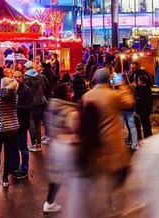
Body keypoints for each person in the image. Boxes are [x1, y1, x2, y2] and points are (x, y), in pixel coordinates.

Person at [69, 68, 134, 216]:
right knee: (113, 174)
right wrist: (121, 84)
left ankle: (102, 202)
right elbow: (129, 102)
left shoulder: (87, 95)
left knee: (99, 174)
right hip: (112, 141)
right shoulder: (112, 95)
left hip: (94, 141)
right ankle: (106, 203)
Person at [42, 83, 80, 214]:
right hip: (68, 146)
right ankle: (80, 207)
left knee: (56, 176)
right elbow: (75, 128)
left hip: (55, 144)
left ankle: (49, 202)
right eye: (69, 92)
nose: (71, 93)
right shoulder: (69, 110)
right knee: (77, 177)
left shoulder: (51, 105)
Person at [12, 70, 33, 179]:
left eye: (19, 77)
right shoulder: (10, 90)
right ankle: (15, 167)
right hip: (13, 124)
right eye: (15, 77)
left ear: (22, 78)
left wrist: (16, 107)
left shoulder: (27, 91)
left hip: (22, 124)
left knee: (23, 148)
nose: (17, 79)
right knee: (14, 147)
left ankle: (24, 168)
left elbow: (29, 107)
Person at [24, 61, 48, 152]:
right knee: (37, 123)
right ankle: (38, 144)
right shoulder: (39, 76)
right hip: (40, 102)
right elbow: (44, 88)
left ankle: (33, 143)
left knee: (31, 123)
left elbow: (27, 91)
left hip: (31, 102)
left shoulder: (26, 77)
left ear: (26, 68)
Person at [134, 74, 153, 139]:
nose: (138, 82)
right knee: (147, 123)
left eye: (138, 80)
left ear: (141, 81)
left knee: (144, 124)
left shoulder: (142, 89)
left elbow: (141, 100)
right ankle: (149, 135)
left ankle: (146, 137)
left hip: (143, 109)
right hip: (147, 109)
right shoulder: (148, 88)